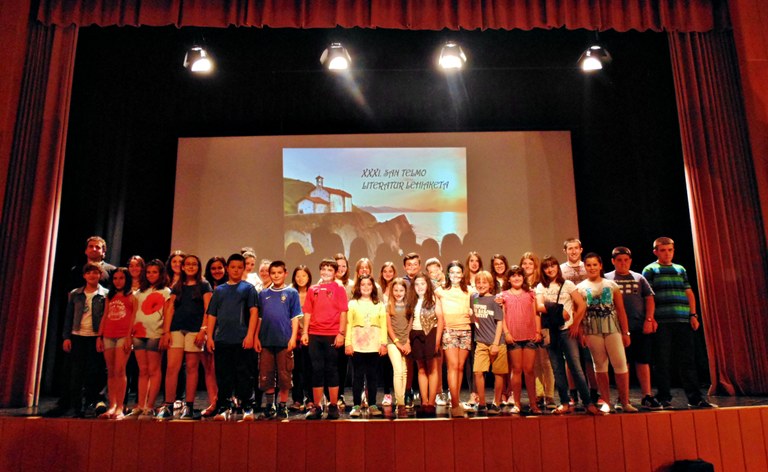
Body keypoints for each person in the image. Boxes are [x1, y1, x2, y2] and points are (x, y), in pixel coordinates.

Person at [642, 237, 716, 409]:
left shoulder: (680, 269)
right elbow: (648, 296)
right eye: (663, 250)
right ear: (656, 252)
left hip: (683, 320)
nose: (667, 253)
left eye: (670, 250)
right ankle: (664, 398)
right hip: (662, 321)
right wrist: (651, 318)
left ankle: (695, 397)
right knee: (662, 360)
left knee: (688, 360)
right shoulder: (650, 269)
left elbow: (688, 292)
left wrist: (693, 315)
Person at [536, 256, 601, 415]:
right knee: (557, 369)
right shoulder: (540, 286)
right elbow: (539, 306)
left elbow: (582, 305)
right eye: (546, 267)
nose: (550, 269)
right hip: (551, 331)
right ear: (543, 270)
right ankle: (565, 402)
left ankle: (588, 403)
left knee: (576, 368)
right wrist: (560, 311)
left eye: (552, 266)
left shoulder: (567, 284)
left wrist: (575, 324)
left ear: (557, 267)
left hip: (567, 330)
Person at [574, 253, 637, 413]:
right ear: (585, 267)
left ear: (600, 266)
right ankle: (606, 402)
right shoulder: (580, 288)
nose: (592, 268)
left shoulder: (611, 285)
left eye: (595, 264)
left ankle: (625, 401)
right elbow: (579, 313)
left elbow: (621, 310)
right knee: (600, 365)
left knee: (620, 364)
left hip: (613, 328)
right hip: (592, 330)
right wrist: (581, 332)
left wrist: (625, 332)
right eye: (589, 265)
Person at [46, 262, 109, 417]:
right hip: (77, 336)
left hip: (94, 337)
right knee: (76, 373)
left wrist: (101, 337)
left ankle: (90, 404)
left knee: (93, 373)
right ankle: (77, 407)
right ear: (84, 275)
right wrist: (66, 337)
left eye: (95, 273)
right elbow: (68, 316)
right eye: (89, 273)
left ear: (100, 275)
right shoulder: (75, 293)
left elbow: (106, 318)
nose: (92, 275)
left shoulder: (106, 294)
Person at [605, 246, 662, 410]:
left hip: (639, 326)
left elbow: (649, 298)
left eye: (626, 260)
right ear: (613, 261)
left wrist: (649, 319)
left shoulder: (639, 278)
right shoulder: (607, 278)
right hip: (616, 328)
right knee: (623, 363)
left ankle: (647, 395)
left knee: (643, 361)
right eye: (619, 260)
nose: (623, 263)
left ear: (630, 261)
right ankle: (624, 397)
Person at [205, 253, 260, 421]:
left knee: (244, 374)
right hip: (222, 340)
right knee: (223, 375)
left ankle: (247, 407)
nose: (236, 270)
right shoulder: (220, 290)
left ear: (244, 269)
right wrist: (210, 337)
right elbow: (212, 315)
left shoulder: (248, 289)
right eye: (233, 267)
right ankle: (223, 406)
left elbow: (254, 312)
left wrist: (250, 335)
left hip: (242, 339)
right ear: (227, 269)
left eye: (239, 267)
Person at [157, 255, 213, 420]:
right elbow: (170, 309)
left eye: (194, 264)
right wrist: (166, 332)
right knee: (172, 367)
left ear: (199, 267)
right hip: (176, 330)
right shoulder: (177, 285)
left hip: (195, 331)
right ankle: (168, 404)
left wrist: (204, 330)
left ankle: (189, 405)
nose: (190, 267)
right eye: (187, 264)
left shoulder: (204, 284)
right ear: (182, 267)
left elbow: (208, 309)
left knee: (192, 368)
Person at [301, 258, 349, 420]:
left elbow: (344, 312)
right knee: (316, 369)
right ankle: (316, 406)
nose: (326, 272)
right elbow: (307, 312)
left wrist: (341, 333)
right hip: (315, 334)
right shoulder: (312, 289)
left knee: (332, 369)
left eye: (330, 270)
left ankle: (333, 405)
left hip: (332, 334)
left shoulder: (339, 289)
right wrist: (305, 332)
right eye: (323, 269)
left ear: (335, 273)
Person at [256, 261, 301, 419]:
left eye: (279, 273)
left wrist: (293, 337)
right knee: (266, 374)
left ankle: (282, 405)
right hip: (266, 341)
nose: (276, 276)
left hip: (284, 341)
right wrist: (256, 337)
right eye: (273, 273)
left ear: (285, 273)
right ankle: (270, 405)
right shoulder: (263, 294)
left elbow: (295, 318)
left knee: (284, 374)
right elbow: (259, 318)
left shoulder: (291, 293)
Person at [127, 259, 171, 419]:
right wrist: (129, 334)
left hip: (155, 333)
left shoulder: (166, 292)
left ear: (161, 274)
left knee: (154, 370)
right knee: (143, 370)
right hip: (138, 334)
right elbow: (134, 314)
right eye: (149, 272)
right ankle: (140, 405)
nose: (151, 275)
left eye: (155, 272)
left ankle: (150, 406)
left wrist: (165, 333)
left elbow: (167, 314)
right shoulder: (139, 292)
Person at [96, 267, 137, 419]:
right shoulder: (110, 295)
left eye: (121, 278)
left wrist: (129, 337)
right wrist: (99, 336)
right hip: (108, 335)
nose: (118, 281)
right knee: (111, 371)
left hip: (123, 336)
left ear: (127, 280)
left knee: (120, 370)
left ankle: (120, 406)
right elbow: (105, 315)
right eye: (115, 278)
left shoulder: (132, 295)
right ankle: (111, 405)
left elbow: (133, 317)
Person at [345, 275, 388, 418]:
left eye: (369, 285)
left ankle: (373, 404)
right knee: (357, 376)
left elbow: (383, 326)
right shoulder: (352, 304)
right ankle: (356, 405)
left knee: (372, 377)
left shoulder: (379, 304)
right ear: (358, 287)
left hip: (374, 345)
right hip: (357, 346)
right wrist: (348, 343)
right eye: (363, 285)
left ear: (373, 287)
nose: (366, 287)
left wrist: (383, 344)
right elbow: (348, 324)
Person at [500, 265, 541, 414]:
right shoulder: (503, 295)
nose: (516, 278)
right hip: (514, 337)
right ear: (509, 279)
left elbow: (536, 313)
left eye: (519, 275)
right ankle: (517, 403)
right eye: (513, 276)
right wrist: (506, 333)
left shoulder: (531, 294)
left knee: (529, 370)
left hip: (530, 335)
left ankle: (533, 403)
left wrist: (537, 331)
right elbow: (502, 316)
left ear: (523, 278)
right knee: (516, 370)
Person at [436, 261, 474, 417]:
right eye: (452, 272)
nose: (456, 275)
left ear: (462, 274)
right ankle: (455, 404)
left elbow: (478, 303)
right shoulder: (440, 291)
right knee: (452, 366)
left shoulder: (470, 291)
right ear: (448, 274)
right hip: (449, 330)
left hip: (465, 330)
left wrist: (473, 309)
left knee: (460, 366)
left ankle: (455, 400)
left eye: (458, 272)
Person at [471, 271, 506, 415]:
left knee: (498, 373)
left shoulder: (495, 300)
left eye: (484, 282)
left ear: (490, 285)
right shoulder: (474, 298)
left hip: (497, 342)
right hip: (481, 342)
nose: (481, 285)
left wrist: (496, 344)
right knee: (478, 371)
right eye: (478, 282)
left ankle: (496, 402)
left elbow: (499, 322)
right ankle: (482, 402)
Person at [407, 273, 443, 418]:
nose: (420, 287)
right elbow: (410, 319)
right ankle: (425, 401)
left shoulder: (433, 299)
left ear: (427, 285)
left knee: (432, 369)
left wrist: (437, 340)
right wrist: (408, 338)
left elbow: (441, 320)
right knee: (421, 369)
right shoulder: (412, 300)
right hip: (416, 335)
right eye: (417, 284)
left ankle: (431, 403)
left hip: (430, 335)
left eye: (422, 284)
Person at [522, 251, 554, 411]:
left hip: (543, 324)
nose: (527, 266)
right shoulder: (520, 283)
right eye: (524, 264)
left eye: (530, 263)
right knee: (533, 363)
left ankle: (549, 395)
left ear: (535, 266)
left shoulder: (541, 283)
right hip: (526, 326)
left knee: (545, 361)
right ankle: (539, 394)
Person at [385, 277, 412, 414]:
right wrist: (397, 342)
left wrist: (407, 342)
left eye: (401, 290)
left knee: (405, 371)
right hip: (393, 342)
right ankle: (400, 403)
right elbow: (389, 327)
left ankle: (401, 400)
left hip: (406, 342)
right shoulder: (388, 306)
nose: (398, 293)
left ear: (405, 291)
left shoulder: (409, 306)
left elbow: (410, 325)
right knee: (398, 371)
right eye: (395, 290)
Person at [424, 257, 449, 406]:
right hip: (436, 326)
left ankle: (452, 392)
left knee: (452, 364)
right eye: (430, 271)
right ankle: (438, 392)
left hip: (452, 326)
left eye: (436, 269)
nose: (434, 273)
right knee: (438, 362)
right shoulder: (428, 288)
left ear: (441, 269)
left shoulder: (449, 285)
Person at [290, 265, 312, 411]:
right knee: (296, 369)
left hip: (310, 336)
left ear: (309, 277)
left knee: (310, 369)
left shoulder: (313, 293)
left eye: (303, 275)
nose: (300, 279)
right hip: (294, 337)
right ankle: (297, 400)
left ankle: (310, 399)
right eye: (298, 276)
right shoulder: (291, 293)